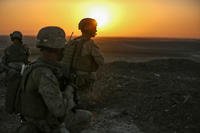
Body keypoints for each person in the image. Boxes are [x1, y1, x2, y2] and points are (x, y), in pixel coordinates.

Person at [16, 26, 70, 133]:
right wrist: (68, 93)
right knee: (84, 117)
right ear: (58, 49)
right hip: (40, 126)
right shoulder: (44, 73)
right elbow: (59, 110)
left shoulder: (35, 65)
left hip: (30, 121)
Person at [62, 18, 104, 107]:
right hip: (84, 79)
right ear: (87, 28)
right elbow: (101, 61)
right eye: (94, 27)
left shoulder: (74, 42)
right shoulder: (90, 44)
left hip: (71, 77)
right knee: (84, 103)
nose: (96, 30)